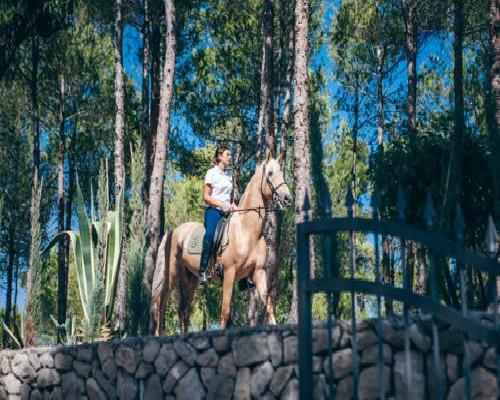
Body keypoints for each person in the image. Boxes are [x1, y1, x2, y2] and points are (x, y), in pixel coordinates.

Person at [199, 144, 237, 283]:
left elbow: (231, 199)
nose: (230, 157)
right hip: (214, 211)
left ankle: (245, 277)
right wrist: (222, 205)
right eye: (228, 154)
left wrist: (235, 207)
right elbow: (206, 196)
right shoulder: (211, 173)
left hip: (229, 212)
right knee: (210, 235)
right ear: (220, 156)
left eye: (230, 155)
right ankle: (203, 270)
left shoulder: (230, 175)